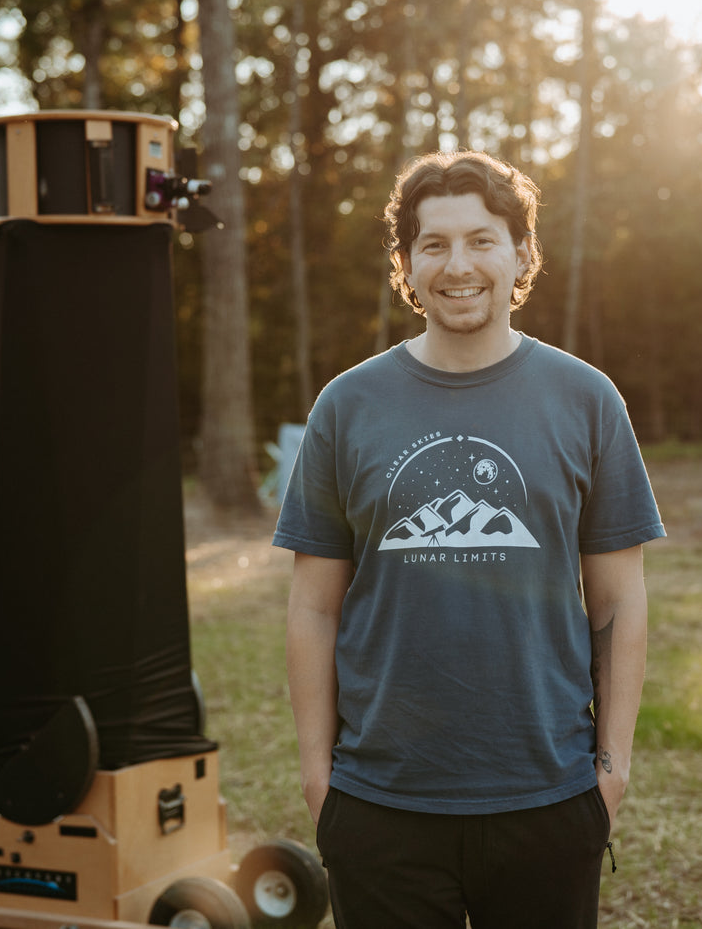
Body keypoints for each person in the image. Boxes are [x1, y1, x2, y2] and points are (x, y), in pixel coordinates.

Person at [273, 150, 665, 928]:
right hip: (379, 803)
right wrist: (321, 781)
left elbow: (618, 598)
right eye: (434, 244)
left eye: (482, 240)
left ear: (521, 253)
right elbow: (313, 606)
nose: (459, 265)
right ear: (405, 263)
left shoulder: (586, 399)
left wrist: (609, 775)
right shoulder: (346, 406)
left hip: (547, 797)